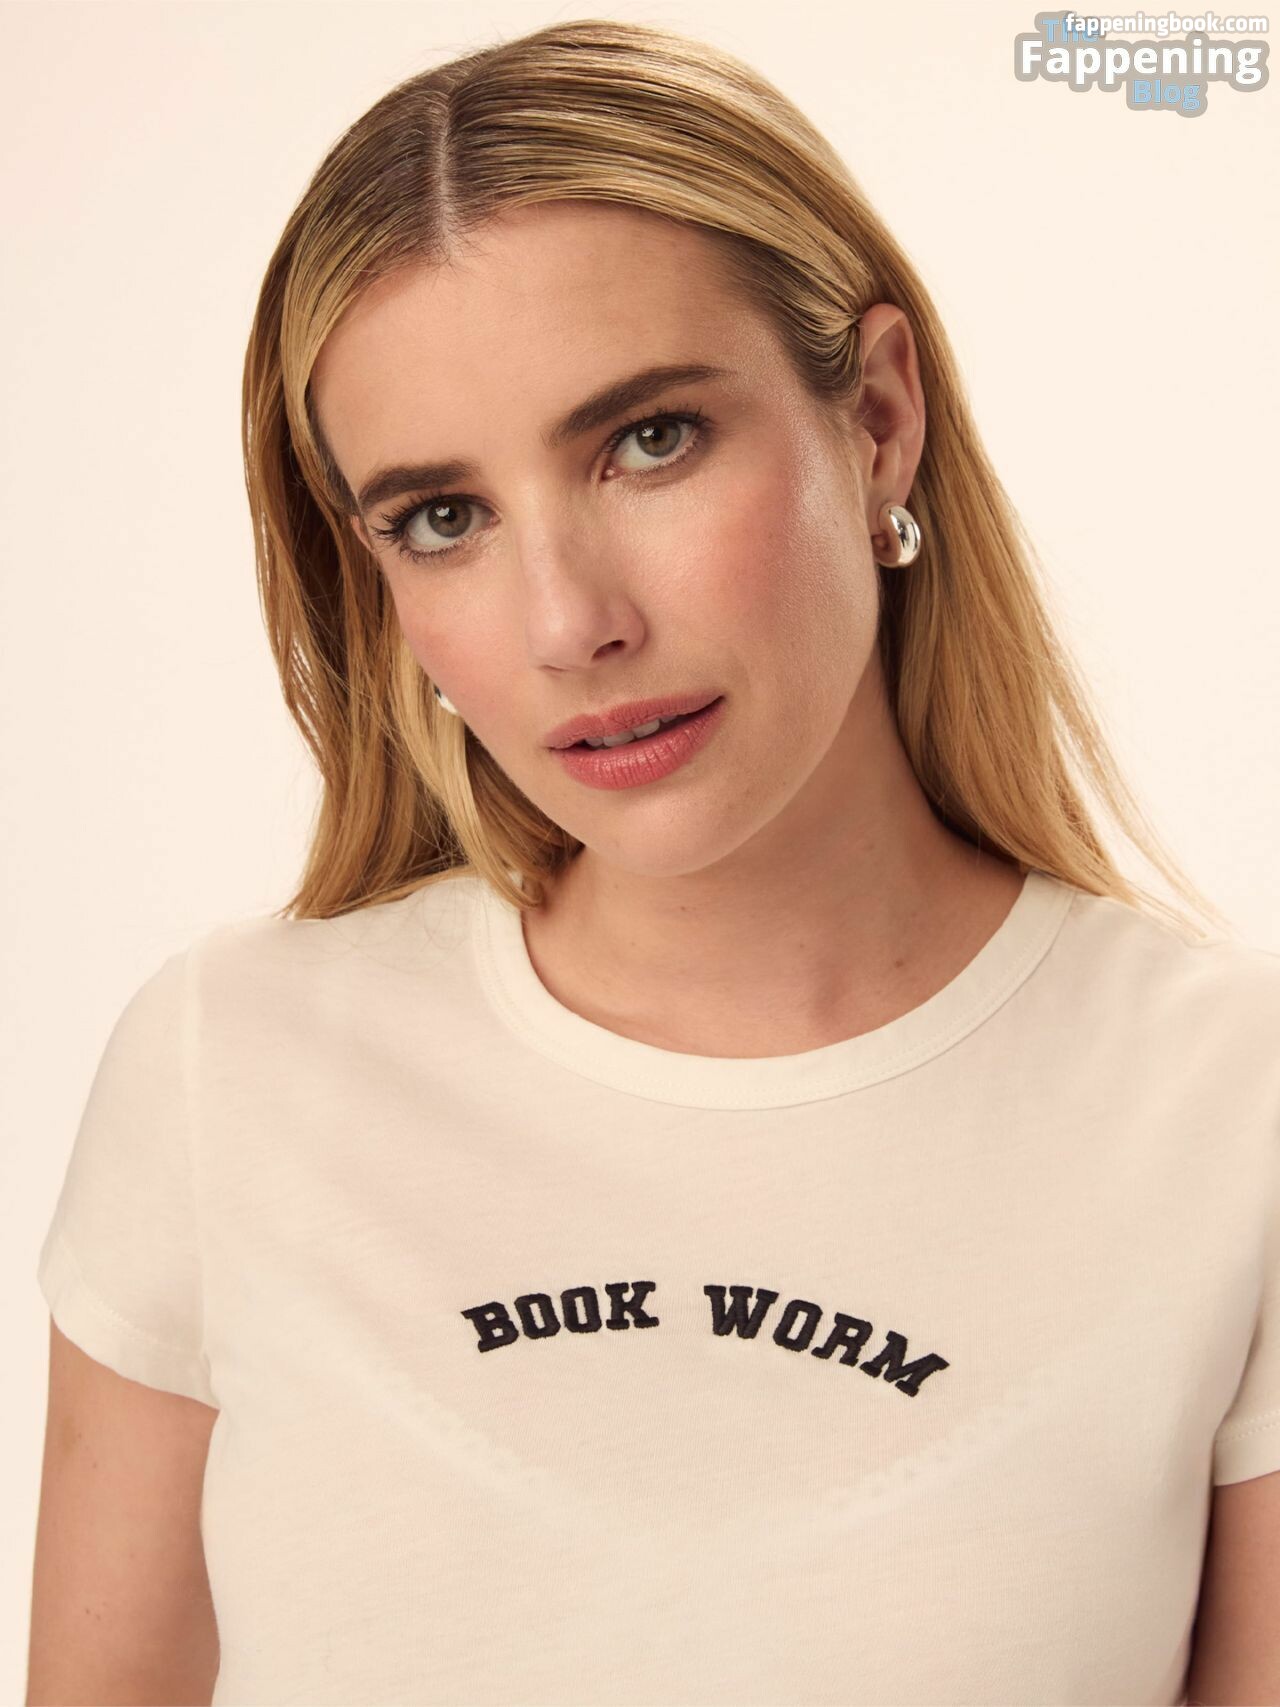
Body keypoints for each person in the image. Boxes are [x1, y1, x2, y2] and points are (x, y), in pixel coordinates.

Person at [26, 17, 1280, 1707]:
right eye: (443, 518)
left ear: (879, 417)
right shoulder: (229, 1068)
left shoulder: (1228, 1107)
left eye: (649, 442)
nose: (569, 624)